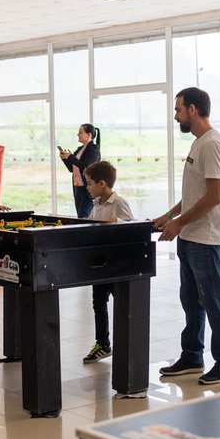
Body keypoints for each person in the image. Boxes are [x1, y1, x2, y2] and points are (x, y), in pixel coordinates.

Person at [153, 88, 220, 386]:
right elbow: (194, 194)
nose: (176, 116)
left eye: (178, 110)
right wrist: (169, 216)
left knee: (213, 299)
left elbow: (213, 197)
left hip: (205, 237)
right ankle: (192, 356)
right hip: (190, 235)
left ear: (192, 109)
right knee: (190, 299)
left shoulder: (212, 144)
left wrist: (179, 223)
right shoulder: (199, 142)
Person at [81, 160, 136, 365]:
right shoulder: (96, 205)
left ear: (102, 183)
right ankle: (103, 343)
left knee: (121, 304)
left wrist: (117, 222)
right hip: (99, 263)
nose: (87, 187)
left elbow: (132, 227)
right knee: (98, 302)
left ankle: (126, 345)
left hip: (116, 264)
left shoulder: (119, 203)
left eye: (89, 183)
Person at [59, 123, 101, 218]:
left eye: (80, 133)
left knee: (83, 218)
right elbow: (72, 168)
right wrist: (65, 158)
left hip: (87, 189)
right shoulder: (80, 149)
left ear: (89, 135)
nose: (77, 135)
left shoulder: (93, 150)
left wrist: (71, 157)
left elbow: (87, 168)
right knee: (80, 217)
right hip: (77, 188)